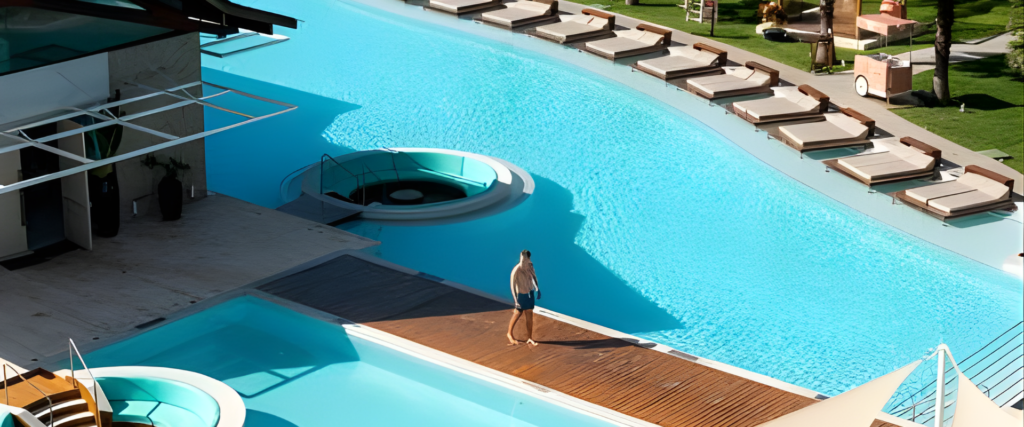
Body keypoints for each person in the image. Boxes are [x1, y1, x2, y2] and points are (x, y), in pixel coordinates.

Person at [507, 249, 540, 346]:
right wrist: (515, 300)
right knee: (518, 313)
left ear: (528, 259)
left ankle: (530, 337)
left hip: (530, 293)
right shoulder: (516, 270)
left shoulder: (530, 266)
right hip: (521, 295)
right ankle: (509, 334)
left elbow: (534, 277)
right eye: (522, 259)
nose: (523, 261)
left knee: (529, 314)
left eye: (525, 259)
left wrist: (537, 288)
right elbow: (512, 286)